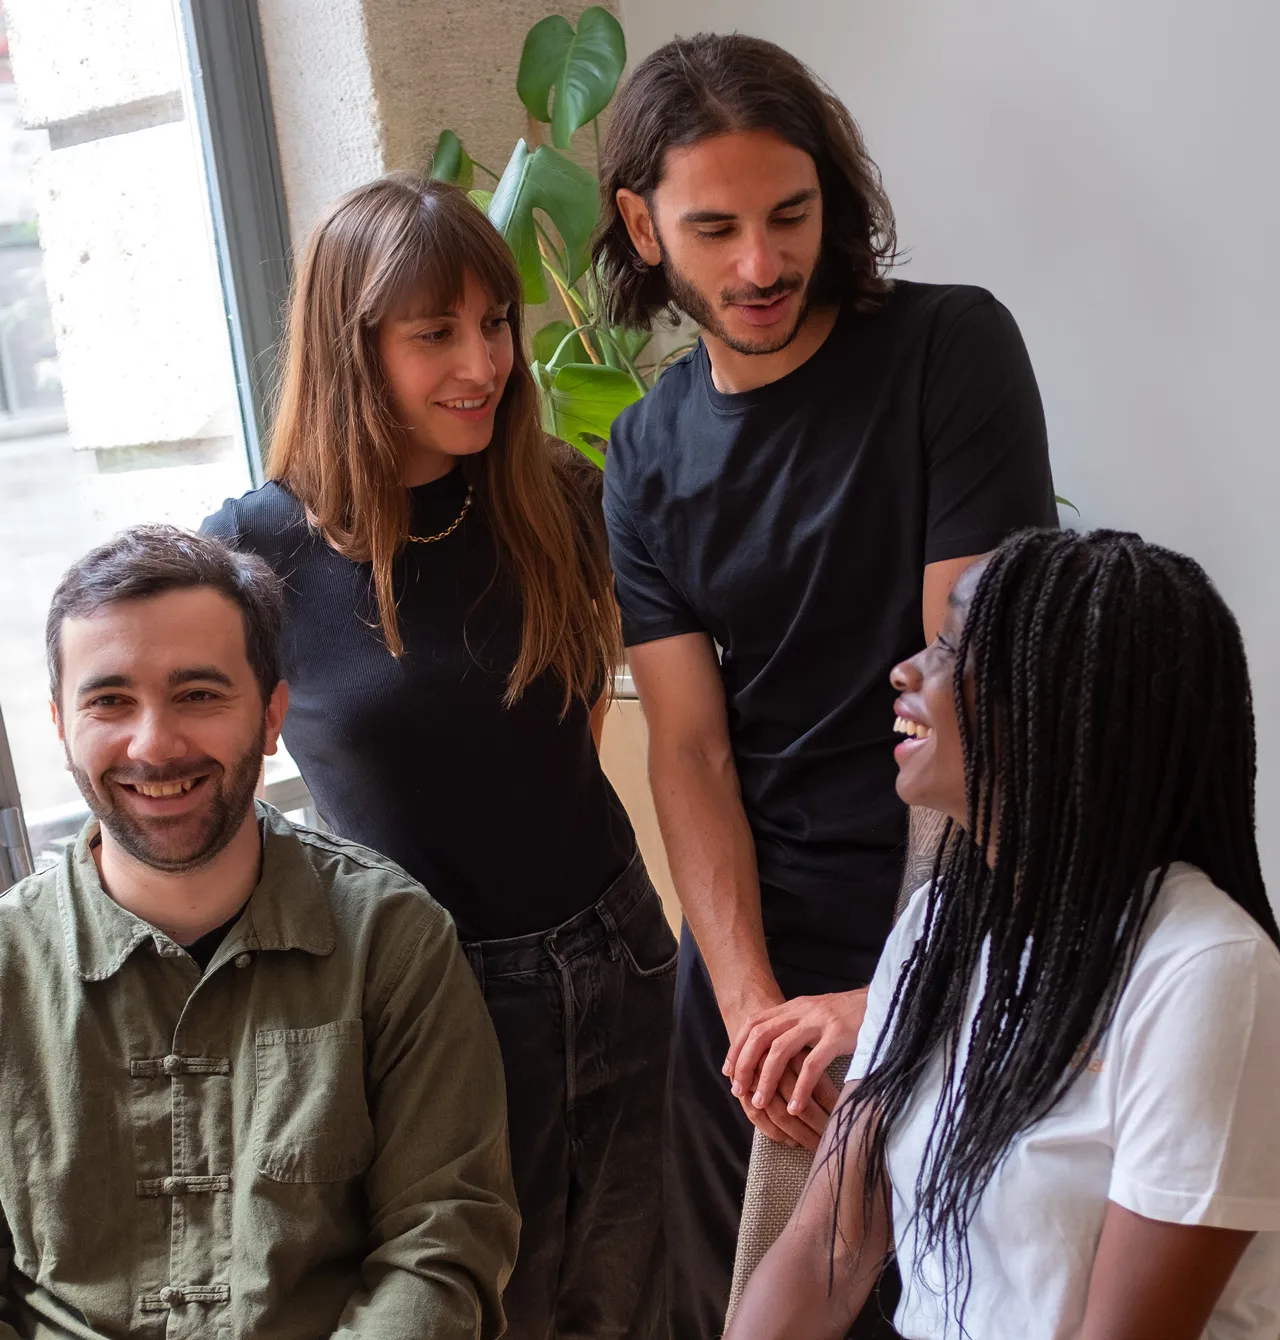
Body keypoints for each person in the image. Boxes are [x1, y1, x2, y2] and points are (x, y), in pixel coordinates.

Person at [594, 31, 1058, 1338]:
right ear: (642, 227)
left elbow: (967, 696)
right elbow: (686, 753)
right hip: (752, 981)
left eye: (790, 215)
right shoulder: (643, 454)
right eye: (716, 226)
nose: (759, 264)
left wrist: (890, 1001)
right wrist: (754, 1020)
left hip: (953, 937)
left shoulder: (949, 352)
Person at [202, 175, 675, 1340]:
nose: (485, 362)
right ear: (352, 345)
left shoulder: (553, 495)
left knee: (648, 1300)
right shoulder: (254, 551)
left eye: (495, 323)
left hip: (619, 959)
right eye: (435, 334)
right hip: (432, 998)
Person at [726, 528, 1280, 1340]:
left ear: (1063, 700)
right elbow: (827, 1248)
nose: (908, 670)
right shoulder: (939, 927)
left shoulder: (1207, 972)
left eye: (953, 647)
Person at [0, 525, 518, 1339]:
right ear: (61, 725)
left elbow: (444, 1240)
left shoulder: (392, 938)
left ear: (272, 715)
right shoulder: (8, 969)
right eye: (109, 701)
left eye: (199, 694)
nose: (153, 744)